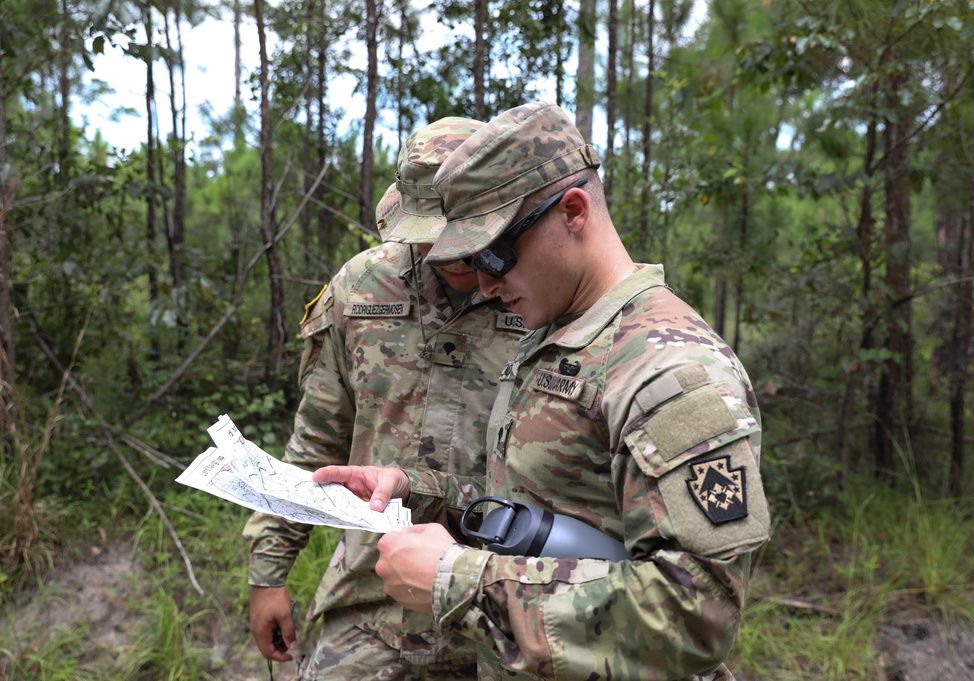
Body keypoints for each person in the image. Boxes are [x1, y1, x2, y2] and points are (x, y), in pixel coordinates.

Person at [313, 101, 771, 680]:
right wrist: (416, 488)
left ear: (573, 211)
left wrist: (456, 579)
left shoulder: (669, 372)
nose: (482, 283)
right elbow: (548, 511)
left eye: (493, 254)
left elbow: (697, 610)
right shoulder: (560, 337)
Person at [242, 116, 527, 680]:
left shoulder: (542, 293)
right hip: (372, 597)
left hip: (501, 601)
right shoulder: (363, 287)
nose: (447, 254)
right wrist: (268, 571)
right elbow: (316, 439)